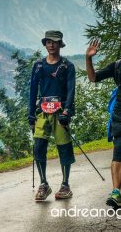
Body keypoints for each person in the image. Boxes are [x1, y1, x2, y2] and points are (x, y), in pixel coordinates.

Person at [29, 30, 76, 201]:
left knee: (64, 146)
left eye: (54, 42)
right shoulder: (39, 65)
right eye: (48, 42)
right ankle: (44, 184)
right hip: (42, 110)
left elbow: (71, 90)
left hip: (60, 111)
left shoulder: (67, 66)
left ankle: (65, 185)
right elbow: (33, 90)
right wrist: (30, 115)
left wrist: (67, 111)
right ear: (45, 44)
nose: (51, 45)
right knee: (38, 146)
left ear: (60, 44)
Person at [86, 39, 121, 208]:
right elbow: (93, 78)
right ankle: (116, 192)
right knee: (118, 154)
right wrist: (88, 59)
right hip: (120, 117)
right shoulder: (116, 66)